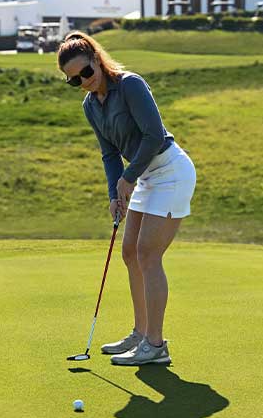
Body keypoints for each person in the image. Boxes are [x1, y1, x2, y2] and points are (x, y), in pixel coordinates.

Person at [57, 31, 196, 366]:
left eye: (86, 73)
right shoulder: (91, 106)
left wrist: (128, 178)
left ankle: (156, 345)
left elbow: (152, 136)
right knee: (130, 254)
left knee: (148, 255)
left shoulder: (130, 85)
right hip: (143, 176)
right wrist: (113, 193)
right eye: (74, 81)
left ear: (96, 59)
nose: (84, 82)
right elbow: (108, 155)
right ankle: (140, 332)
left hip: (170, 171)